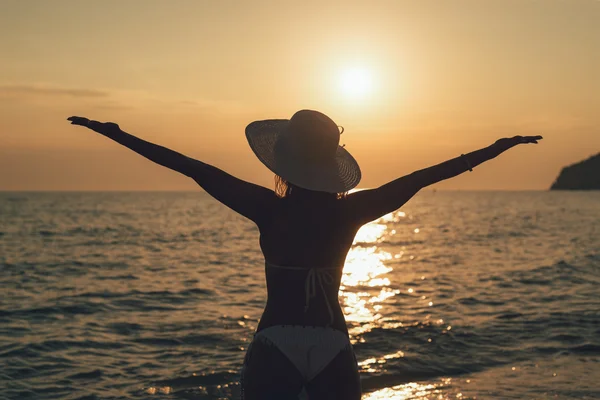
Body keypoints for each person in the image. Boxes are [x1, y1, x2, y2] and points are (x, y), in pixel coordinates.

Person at [67, 110, 542, 399]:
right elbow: (426, 175)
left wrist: (115, 133)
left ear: (285, 161)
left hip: (274, 342)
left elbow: (191, 167)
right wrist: (498, 148)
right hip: (334, 344)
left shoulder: (266, 208)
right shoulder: (354, 210)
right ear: (330, 163)